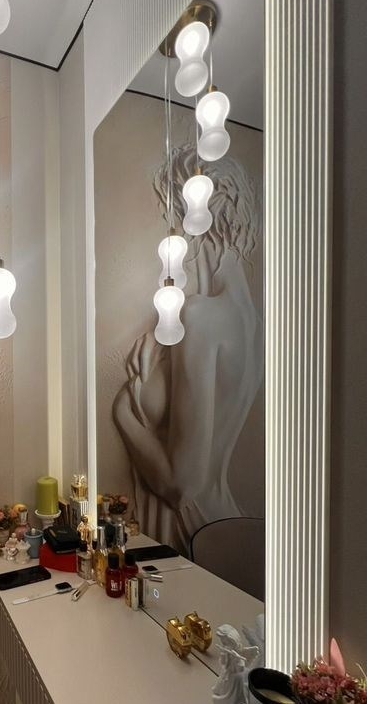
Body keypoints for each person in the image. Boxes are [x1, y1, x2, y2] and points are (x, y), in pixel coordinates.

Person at [113, 143, 262, 553]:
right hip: (229, 520)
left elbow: (182, 486)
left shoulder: (200, 316)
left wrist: (125, 413)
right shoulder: (254, 323)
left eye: (172, 217)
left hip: (196, 532)